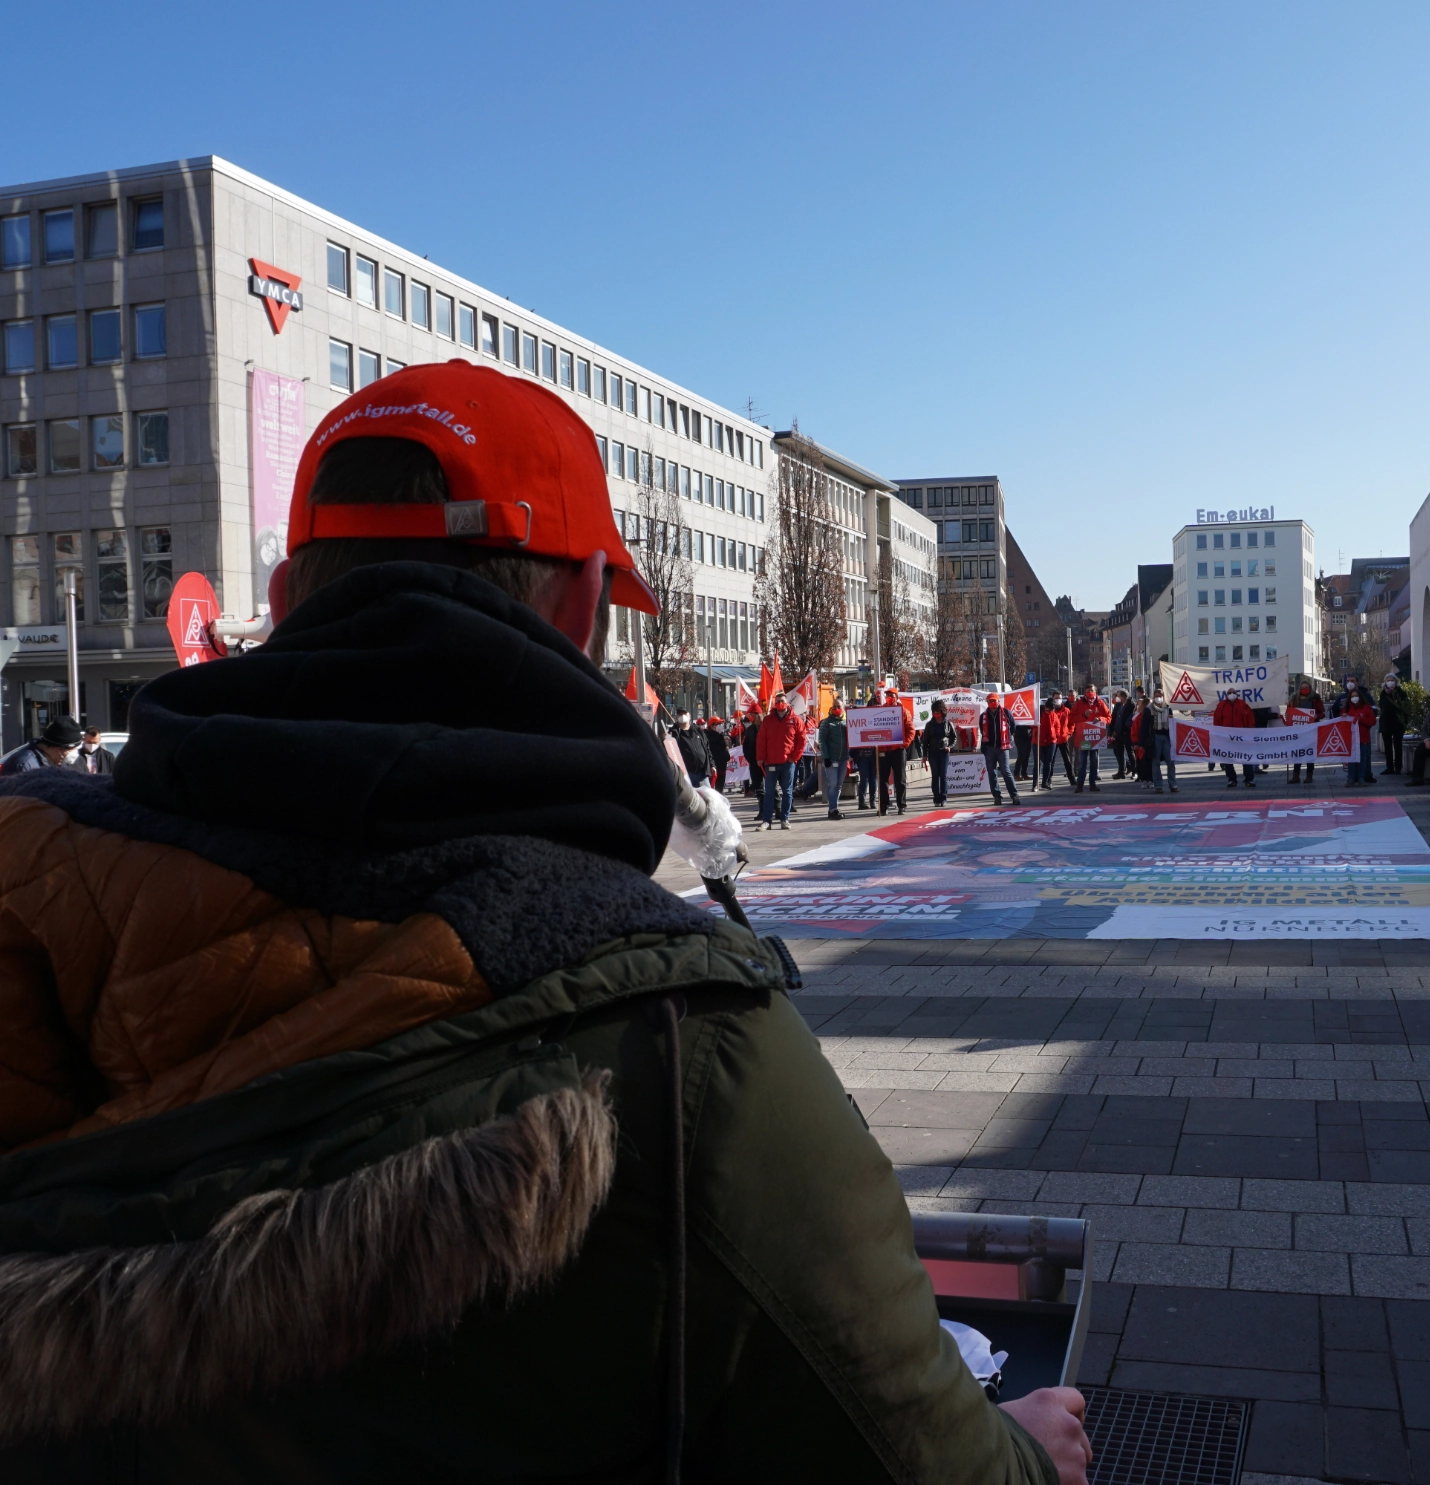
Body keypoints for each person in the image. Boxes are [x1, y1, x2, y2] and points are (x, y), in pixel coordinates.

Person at [0, 361, 1087, 1483]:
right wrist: (1029, 1459)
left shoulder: (23, 889)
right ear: (583, 610)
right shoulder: (686, 1047)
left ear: (281, 605)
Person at [753, 694, 803, 831]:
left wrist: (795, 756)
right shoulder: (768, 721)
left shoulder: (795, 720)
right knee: (769, 792)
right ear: (774, 704)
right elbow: (761, 740)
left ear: (787, 703)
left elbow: (801, 740)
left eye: (782, 701)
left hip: (788, 762)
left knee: (787, 792)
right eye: (778, 701)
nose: (780, 703)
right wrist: (760, 758)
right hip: (771, 763)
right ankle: (766, 821)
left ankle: (784, 819)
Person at [876, 685, 916, 816]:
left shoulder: (903, 712)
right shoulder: (880, 711)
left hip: (898, 750)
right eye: (887, 696)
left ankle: (901, 805)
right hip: (883, 750)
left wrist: (904, 744)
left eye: (891, 696)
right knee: (883, 780)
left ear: (896, 697)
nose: (889, 698)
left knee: (900, 779)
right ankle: (883, 805)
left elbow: (911, 730)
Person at [0, 714, 82, 774]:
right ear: (58, 749)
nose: (75, 753)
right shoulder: (24, 764)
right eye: (72, 749)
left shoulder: (60, 762)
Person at [980, 693, 1019, 805]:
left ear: (998, 701)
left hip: (1003, 747)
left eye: (994, 700)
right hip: (990, 748)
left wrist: (1006, 738)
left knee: (1006, 771)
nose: (992, 703)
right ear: (987, 702)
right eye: (990, 701)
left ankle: (1014, 795)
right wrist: (984, 745)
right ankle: (997, 796)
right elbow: (982, 731)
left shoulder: (1006, 713)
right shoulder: (983, 716)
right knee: (992, 773)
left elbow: (1013, 727)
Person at [1338, 679, 1378, 787]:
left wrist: (1361, 720)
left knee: (1362, 759)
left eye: (1356, 695)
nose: (1354, 698)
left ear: (1360, 696)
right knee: (1351, 759)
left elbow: (1373, 721)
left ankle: (1361, 777)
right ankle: (1351, 778)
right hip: (1350, 739)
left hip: (1363, 738)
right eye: (1352, 696)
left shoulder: (1366, 708)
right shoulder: (1346, 709)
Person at [1213, 690, 1257, 787]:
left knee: (1246, 758)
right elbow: (1216, 721)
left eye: (1233, 692)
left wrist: (1250, 733)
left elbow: (1250, 719)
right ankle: (1231, 779)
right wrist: (1218, 734)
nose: (1231, 694)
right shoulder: (1221, 706)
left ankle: (1249, 779)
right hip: (1226, 738)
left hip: (1242, 737)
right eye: (1230, 692)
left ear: (1237, 694)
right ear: (1226, 695)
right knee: (1228, 759)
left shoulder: (1243, 705)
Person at [1070, 684, 1109, 792]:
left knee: (1094, 761)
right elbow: (1071, 718)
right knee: (1082, 762)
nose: (1089, 692)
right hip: (1083, 738)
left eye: (1091, 691)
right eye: (1087, 691)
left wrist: (1100, 718)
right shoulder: (1079, 704)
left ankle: (1092, 783)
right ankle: (1080, 784)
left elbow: (1109, 717)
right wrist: (1084, 715)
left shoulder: (1101, 704)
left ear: (1095, 692)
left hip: (1096, 738)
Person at [817, 700, 850, 820]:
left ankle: (834, 808)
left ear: (843, 707)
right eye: (834, 707)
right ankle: (832, 809)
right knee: (832, 784)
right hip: (831, 759)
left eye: (839, 706)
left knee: (839, 785)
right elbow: (822, 741)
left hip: (843, 759)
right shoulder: (827, 722)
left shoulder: (848, 721)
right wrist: (826, 757)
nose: (836, 708)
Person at [923, 699, 957, 808]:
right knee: (935, 776)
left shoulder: (948, 724)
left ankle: (943, 797)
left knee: (943, 776)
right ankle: (936, 798)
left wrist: (949, 747)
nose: (936, 714)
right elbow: (925, 742)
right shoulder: (929, 725)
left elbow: (954, 738)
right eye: (934, 712)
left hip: (944, 753)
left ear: (942, 712)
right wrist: (924, 755)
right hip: (933, 752)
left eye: (938, 711)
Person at [1288, 681, 1321, 787]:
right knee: (1297, 753)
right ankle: (1296, 775)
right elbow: (1289, 711)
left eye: (1306, 687)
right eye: (1302, 688)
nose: (1304, 689)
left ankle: (1309, 774)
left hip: (1311, 730)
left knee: (1309, 753)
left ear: (1310, 688)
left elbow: (1322, 712)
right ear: (1299, 689)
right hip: (1298, 730)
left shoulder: (1315, 698)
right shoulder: (1294, 699)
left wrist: (1316, 716)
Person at [1378, 674, 1408, 776]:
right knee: (1387, 747)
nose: (1390, 682)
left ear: (1396, 681)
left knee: (1397, 745)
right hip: (1385, 723)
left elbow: (1405, 708)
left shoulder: (1401, 693)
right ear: (1385, 682)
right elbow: (1381, 705)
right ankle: (1389, 767)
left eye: (1392, 680)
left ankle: (1398, 767)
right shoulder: (1383, 693)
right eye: (1388, 680)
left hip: (1397, 723)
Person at [673, 710, 711, 788]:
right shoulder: (674, 733)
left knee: (707, 798)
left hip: (702, 773)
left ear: (689, 716)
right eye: (680, 714)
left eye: (685, 714)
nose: (683, 716)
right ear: (677, 717)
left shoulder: (697, 731)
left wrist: (712, 765)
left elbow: (707, 748)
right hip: (686, 774)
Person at [1033, 694, 1062, 791]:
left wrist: (1056, 735)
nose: (1049, 712)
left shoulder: (1054, 715)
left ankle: (1045, 782)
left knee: (1048, 763)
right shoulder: (1038, 713)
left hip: (1051, 741)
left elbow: (1057, 726)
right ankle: (1035, 784)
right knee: (1038, 763)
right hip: (1038, 741)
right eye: (1048, 710)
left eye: (1051, 710)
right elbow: (1031, 725)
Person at [1148, 695, 1176, 793]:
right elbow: (1145, 724)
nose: (1158, 698)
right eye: (1156, 696)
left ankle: (1173, 784)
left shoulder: (1168, 708)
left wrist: (1171, 718)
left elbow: (1173, 723)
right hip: (1155, 736)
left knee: (1171, 761)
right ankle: (1158, 786)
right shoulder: (1149, 708)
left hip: (1167, 737)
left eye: (1160, 696)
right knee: (1155, 762)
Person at [1108, 690, 1134, 779]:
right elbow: (1113, 717)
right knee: (1119, 753)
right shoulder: (1118, 705)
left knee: (1130, 752)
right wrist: (1112, 731)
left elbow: (1130, 720)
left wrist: (1124, 729)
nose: (1116, 697)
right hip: (1117, 733)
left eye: (1118, 696)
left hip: (1127, 733)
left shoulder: (1131, 705)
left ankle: (1135, 771)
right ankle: (1121, 771)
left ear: (1123, 697)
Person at [702, 712, 730, 792]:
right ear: (712, 726)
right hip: (714, 765)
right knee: (711, 788)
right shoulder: (707, 736)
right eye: (718, 724)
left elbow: (724, 748)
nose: (721, 726)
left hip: (722, 765)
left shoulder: (720, 735)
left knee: (720, 788)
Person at [740, 705, 763, 797]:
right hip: (754, 761)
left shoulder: (766, 727)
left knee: (770, 786)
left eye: (751, 715)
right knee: (758, 786)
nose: (750, 717)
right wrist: (749, 758)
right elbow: (745, 745)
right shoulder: (750, 729)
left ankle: (775, 806)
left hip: (766, 762)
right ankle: (762, 808)